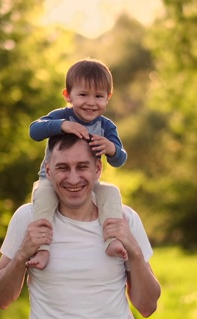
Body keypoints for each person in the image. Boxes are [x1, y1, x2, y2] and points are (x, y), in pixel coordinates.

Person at [0, 134, 161, 319]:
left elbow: (147, 306)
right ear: (48, 172)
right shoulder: (28, 218)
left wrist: (135, 253)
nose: (73, 178)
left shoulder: (124, 219)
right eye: (63, 167)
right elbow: (1, 298)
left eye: (82, 167)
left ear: (98, 169)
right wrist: (22, 254)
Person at [27, 58, 127, 270]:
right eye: (83, 95)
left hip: (87, 182)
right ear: (68, 95)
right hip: (52, 180)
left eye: (98, 96)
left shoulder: (106, 126)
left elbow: (120, 159)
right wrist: (62, 126)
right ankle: (42, 248)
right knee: (43, 196)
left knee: (111, 193)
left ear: (108, 98)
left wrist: (111, 148)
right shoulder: (62, 116)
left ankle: (112, 240)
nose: (91, 102)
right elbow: (34, 130)